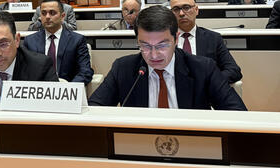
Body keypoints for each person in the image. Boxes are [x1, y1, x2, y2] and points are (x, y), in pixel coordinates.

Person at [88, 6, 246, 110]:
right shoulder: (123, 68)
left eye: (162, 45)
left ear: (176, 39)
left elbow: (237, 112)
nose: (153, 55)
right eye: (145, 46)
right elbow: (94, 109)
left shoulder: (203, 69)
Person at [170, 0, 242, 83]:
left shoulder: (213, 38)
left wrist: (210, 82)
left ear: (196, 10)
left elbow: (234, 70)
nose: (181, 13)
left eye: (186, 7)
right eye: (176, 9)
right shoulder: (165, 39)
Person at [23, 0, 93, 84]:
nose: (47, 17)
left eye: (52, 13)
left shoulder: (77, 40)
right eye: (43, 13)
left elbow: (85, 72)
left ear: (62, 16)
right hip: (39, 89)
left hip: (67, 88)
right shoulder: (30, 41)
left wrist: (68, 88)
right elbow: (23, 72)